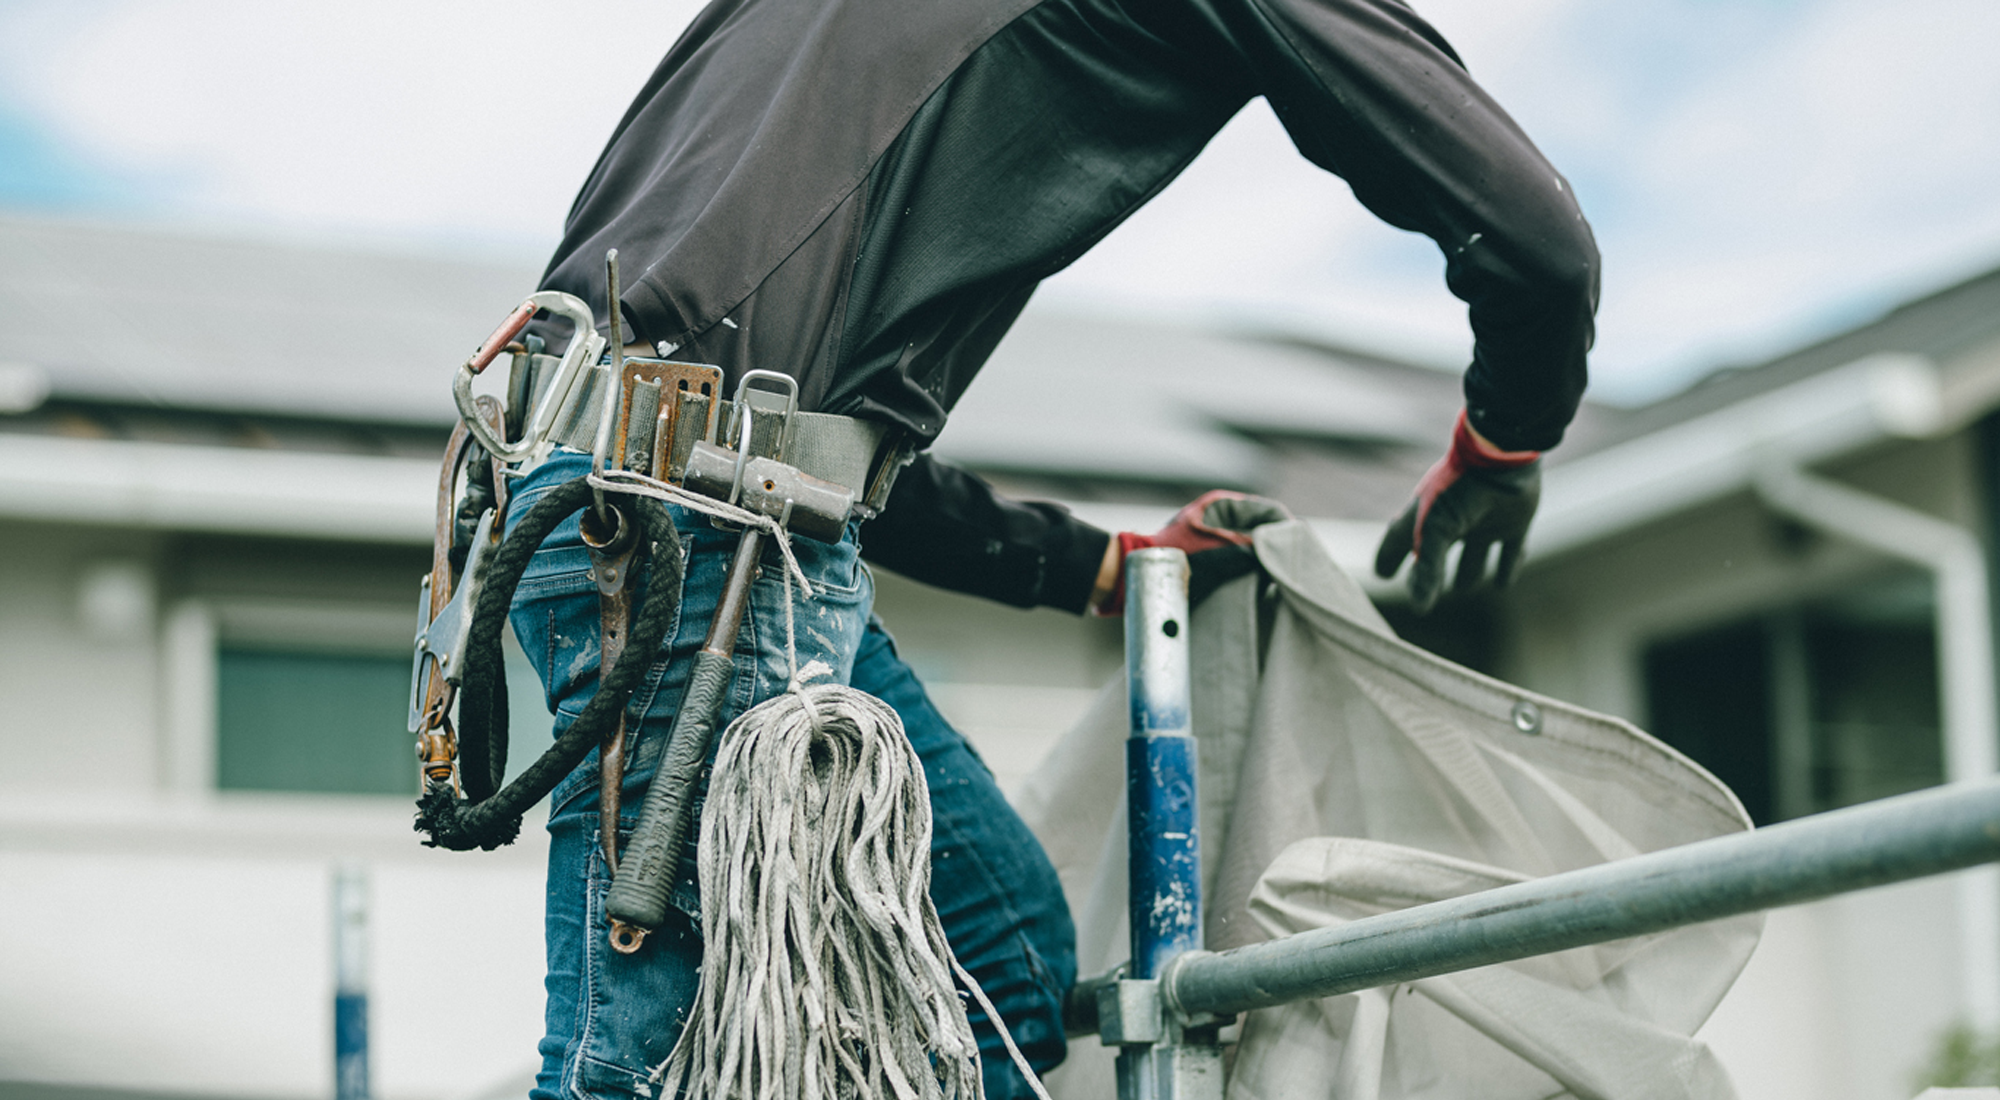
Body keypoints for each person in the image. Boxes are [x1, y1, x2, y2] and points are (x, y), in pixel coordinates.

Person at [508, 0, 1598, 1096]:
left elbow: (814, 432)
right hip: (693, 525)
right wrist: (1505, 437)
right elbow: (1532, 242)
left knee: (998, 953)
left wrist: (1091, 565)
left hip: (675, 494)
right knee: (629, 1062)